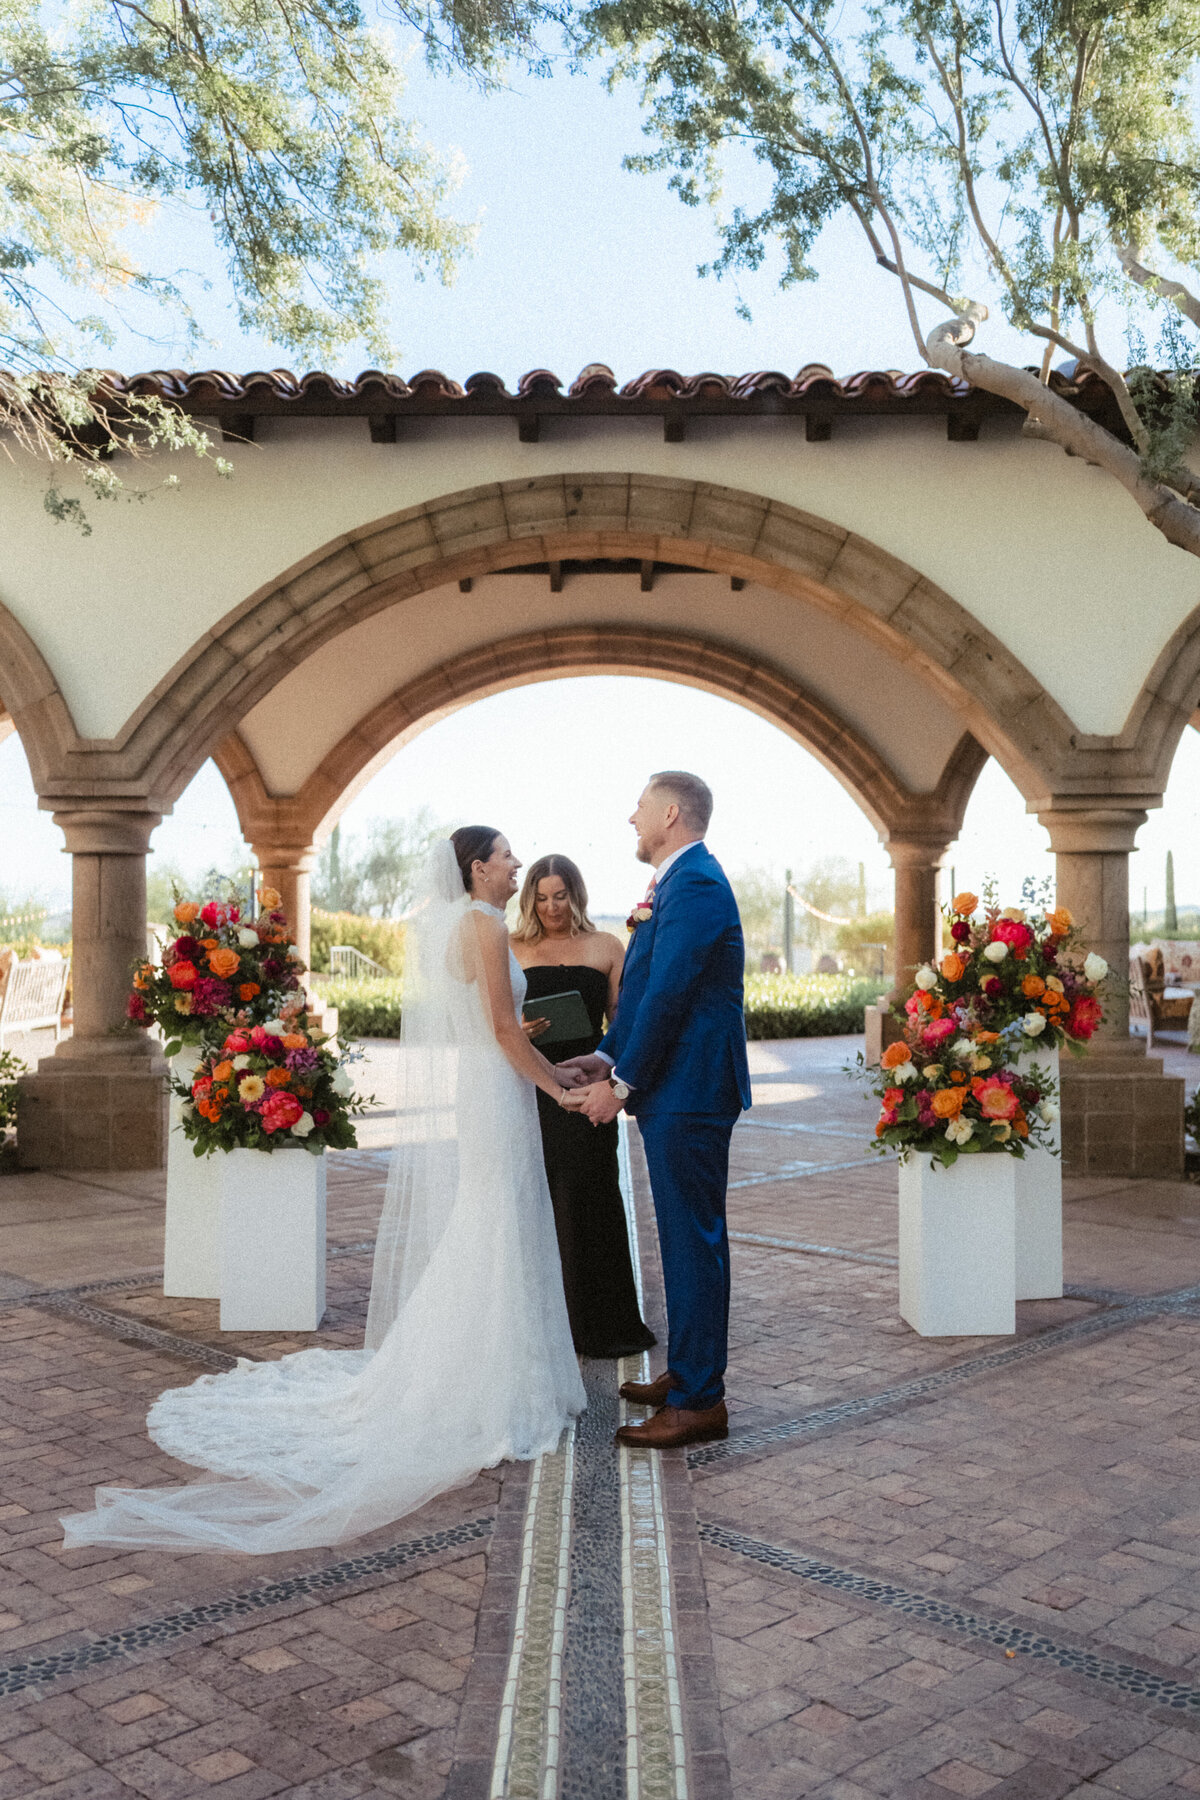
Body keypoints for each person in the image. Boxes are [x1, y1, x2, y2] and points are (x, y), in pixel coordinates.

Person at [60, 828, 586, 1555]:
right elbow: (500, 1027)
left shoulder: (464, 926)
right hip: (499, 1092)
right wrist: (557, 1084)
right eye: (506, 855)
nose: (518, 864)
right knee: (498, 1219)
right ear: (479, 869)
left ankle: (476, 1368)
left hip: (487, 1087)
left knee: (489, 1218)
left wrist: (547, 1062)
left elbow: (492, 1024)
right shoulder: (485, 924)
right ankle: (486, 1382)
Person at [558, 772, 751, 1451]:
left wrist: (625, 1083)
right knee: (683, 1240)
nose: (630, 818)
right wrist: (607, 1057)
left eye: (640, 808)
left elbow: (672, 994)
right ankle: (691, 1373)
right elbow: (643, 993)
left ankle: (701, 1402)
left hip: (692, 1091)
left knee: (694, 1242)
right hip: (679, 1089)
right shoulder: (675, 883)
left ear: (671, 813)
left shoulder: (694, 883)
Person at [511, 855, 655, 1359]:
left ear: (577, 895)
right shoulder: (513, 947)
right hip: (530, 1083)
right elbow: (494, 1018)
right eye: (542, 896)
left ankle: (602, 1324)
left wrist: (615, 1075)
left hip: (587, 1081)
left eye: (561, 895)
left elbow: (625, 1019)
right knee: (537, 1196)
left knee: (591, 1194)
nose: (551, 907)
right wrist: (519, 1029)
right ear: (530, 898)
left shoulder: (607, 946)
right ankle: (544, 1327)